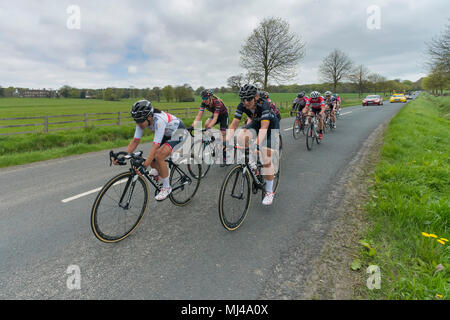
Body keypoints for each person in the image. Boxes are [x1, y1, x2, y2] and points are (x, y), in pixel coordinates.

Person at [117, 100, 187, 201]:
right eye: (136, 121)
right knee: (152, 160)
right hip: (167, 134)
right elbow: (135, 142)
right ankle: (161, 171)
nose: (139, 124)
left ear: (150, 116)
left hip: (179, 132)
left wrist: (144, 166)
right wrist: (122, 157)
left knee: (158, 156)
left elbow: (155, 147)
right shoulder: (142, 121)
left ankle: (167, 188)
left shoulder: (159, 120)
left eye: (140, 121)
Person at [226, 84, 280, 206]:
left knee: (265, 155)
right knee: (241, 137)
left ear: (256, 97)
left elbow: (264, 127)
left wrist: (256, 144)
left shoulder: (264, 104)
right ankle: (253, 162)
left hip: (271, 126)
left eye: (248, 99)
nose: (245, 102)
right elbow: (234, 124)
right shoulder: (243, 105)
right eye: (242, 99)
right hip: (256, 123)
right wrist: (226, 141)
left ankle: (269, 192)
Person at [192, 89, 229, 166]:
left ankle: (224, 157)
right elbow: (199, 115)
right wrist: (192, 126)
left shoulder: (217, 103)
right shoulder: (203, 103)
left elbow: (215, 118)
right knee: (206, 123)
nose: (204, 100)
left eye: (205, 98)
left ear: (211, 97)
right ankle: (212, 139)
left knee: (222, 134)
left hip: (223, 116)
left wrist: (208, 128)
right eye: (203, 98)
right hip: (216, 115)